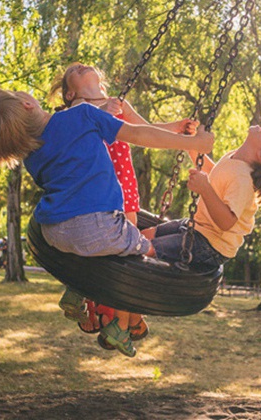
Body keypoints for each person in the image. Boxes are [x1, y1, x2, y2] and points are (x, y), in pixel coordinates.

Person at [0, 87, 213, 357]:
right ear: (27, 104)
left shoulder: (31, 156)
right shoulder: (83, 115)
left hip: (54, 232)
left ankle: (77, 290)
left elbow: (69, 142)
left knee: (93, 250)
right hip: (98, 224)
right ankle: (118, 326)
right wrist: (192, 144)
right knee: (149, 253)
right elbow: (138, 134)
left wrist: (101, 114)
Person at [48, 62, 198, 346]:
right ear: (69, 93)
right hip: (94, 191)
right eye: (74, 70)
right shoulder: (74, 113)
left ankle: (120, 319)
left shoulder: (118, 104)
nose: (80, 65)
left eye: (84, 66)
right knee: (94, 243)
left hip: (124, 190)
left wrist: (177, 130)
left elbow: (144, 130)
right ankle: (82, 296)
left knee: (124, 254)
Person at [141, 121, 261, 274]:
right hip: (197, 227)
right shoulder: (235, 159)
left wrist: (205, 189)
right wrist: (192, 144)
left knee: (144, 248)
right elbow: (215, 173)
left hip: (209, 245)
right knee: (144, 235)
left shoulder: (243, 180)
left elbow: (226, 222)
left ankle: (129, 316)